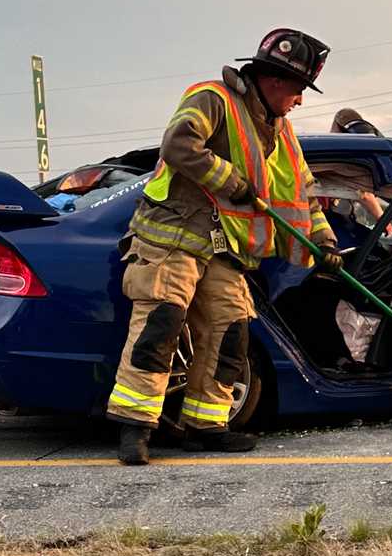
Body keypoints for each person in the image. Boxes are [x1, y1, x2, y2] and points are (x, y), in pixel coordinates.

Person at [108, 28, 342, 465]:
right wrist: (230, 181)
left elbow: (301, 196)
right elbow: (179, 145)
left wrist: (323, 240)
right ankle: (135, 428)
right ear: (274, 81)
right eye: (297, 90)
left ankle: (206, 424)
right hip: (173, 236)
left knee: (230, 330)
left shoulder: (282, 133)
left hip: (224, 249)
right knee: (161, 323)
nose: (300, 100)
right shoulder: (212, 98)